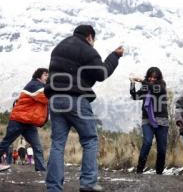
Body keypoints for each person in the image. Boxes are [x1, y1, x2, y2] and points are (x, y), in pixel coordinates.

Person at [45, 24, 124, 192]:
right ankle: (88, 183)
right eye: (93, 40)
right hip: (75, 99)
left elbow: (74, 71)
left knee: (57, 144)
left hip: (55, 99)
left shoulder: (59, 47)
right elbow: (101, 73)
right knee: (90, 140)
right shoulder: (87, 49)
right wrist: (115, 56)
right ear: (89, 36)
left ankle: (53, 188)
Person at [0, 68, 48, 172]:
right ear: (38, 76)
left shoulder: (41, 86)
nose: (47, 77)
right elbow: (45, 98)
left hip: (29, 122)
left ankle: (41, 170)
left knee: (37, 146)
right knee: (6, 142)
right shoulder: (34, 85)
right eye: (45, 75)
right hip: (18, 120)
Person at [130, 67, 168, 175]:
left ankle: (159, 172)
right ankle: (139, 169)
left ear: (158, 78)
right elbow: (135, 96)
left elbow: (156, 89)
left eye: (155, 77)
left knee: (162, 148)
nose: (152, 79)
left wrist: (142, 80)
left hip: (162, 120)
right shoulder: (145, 87)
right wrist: (132, 83)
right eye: (150, 77)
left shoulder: (161, 85)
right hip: (147, 119)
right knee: (147, 142)